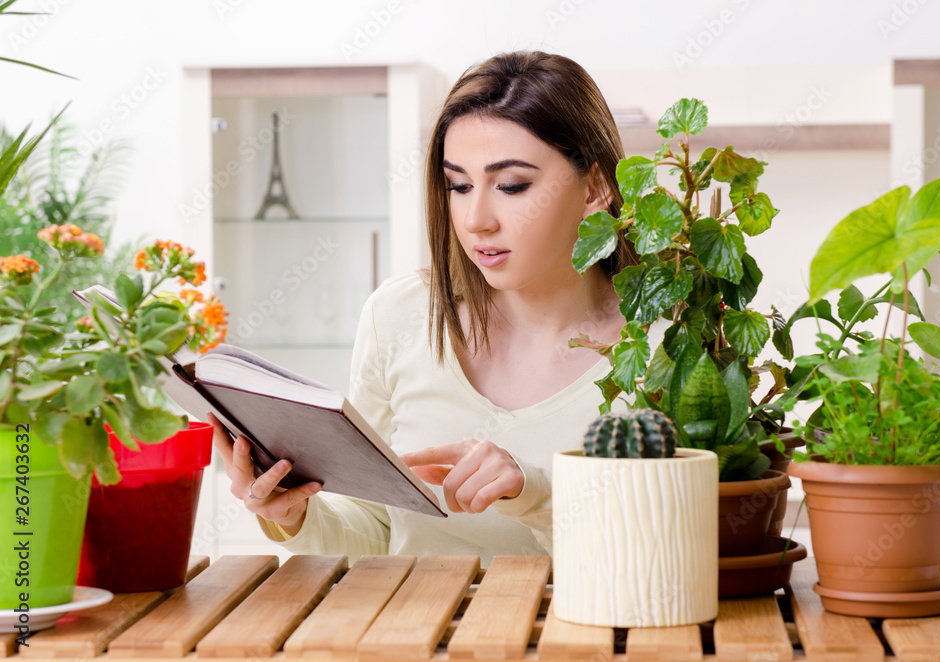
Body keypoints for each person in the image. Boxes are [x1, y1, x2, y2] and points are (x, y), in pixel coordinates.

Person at [210, 50, 640, 563]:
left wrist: (533, 493)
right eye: (458, 185)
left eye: (511, 186)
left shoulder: (668, 339)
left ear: (595, 187)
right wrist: (295, 515)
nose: (476, 219)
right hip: (414, 637)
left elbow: (666, 551)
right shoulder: (401, 314)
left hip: (580, 640)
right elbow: (378, 531)